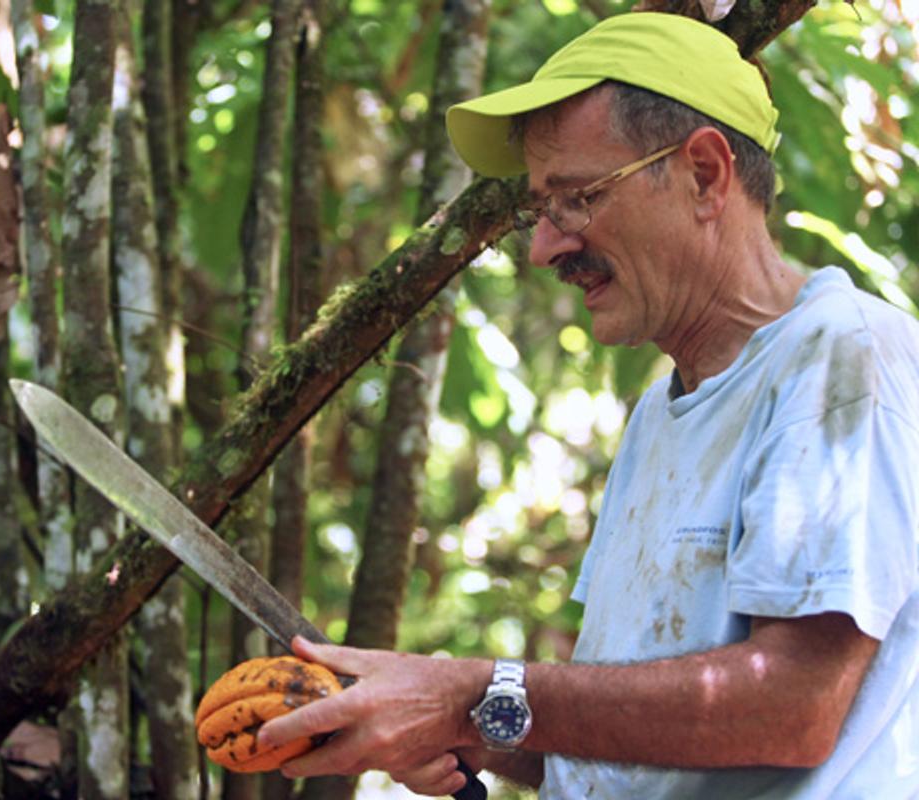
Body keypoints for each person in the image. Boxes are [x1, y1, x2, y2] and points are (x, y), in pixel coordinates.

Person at [257, 11, 919, 799]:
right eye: (540, 211)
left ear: (705, 175)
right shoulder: (659, 415)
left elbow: (792, 708)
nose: (545, 247)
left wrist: (468, 693)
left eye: (576, 199)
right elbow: (625, 741)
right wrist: (455, 721)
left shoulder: (842, 359)